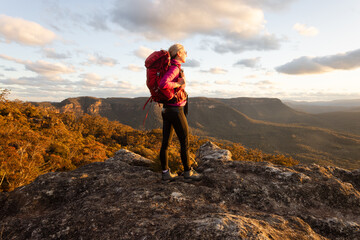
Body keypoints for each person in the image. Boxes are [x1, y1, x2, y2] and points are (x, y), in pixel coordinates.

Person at [159, 43, 202, 181]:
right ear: (178, 53)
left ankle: (165, 174)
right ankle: (188, 173)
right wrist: (178, 83)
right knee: (184, 142)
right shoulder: (174, 69)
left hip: (166, 109)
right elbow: (163, 84)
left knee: (165, 143)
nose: (186, 54)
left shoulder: (170, 67)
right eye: (185, 51)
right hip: (175, 110)